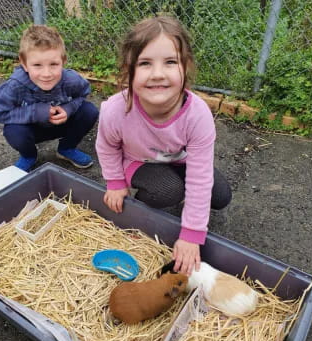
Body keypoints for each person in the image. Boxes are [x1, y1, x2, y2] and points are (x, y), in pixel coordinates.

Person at [95, 16, 232, 276]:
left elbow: (200, 176)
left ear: (186, 66)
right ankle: (143, 211)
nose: (158, 74)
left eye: (170, 62)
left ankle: (186, 207)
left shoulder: (198, 115)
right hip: (138, 162)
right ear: (129, 69)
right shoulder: (115, 110)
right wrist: (115, 182)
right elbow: (106, 146)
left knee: (220, 194)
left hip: (178, 160)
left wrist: (191, 234)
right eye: (145, 63)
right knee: (168, 191)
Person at [0, 25, 98, 171]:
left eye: (53, 64)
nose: (46, 74)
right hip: (32, 130)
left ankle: (66, 148)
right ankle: (29, 156)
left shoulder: (71, 80)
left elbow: (84, 92)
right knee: (13, 131)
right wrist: (35, 112)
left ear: (63, 61)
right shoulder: (15, 86)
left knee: (89, 111)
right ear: (24, 63)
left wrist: (68, 109)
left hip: (62, 124)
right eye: (37, 65)